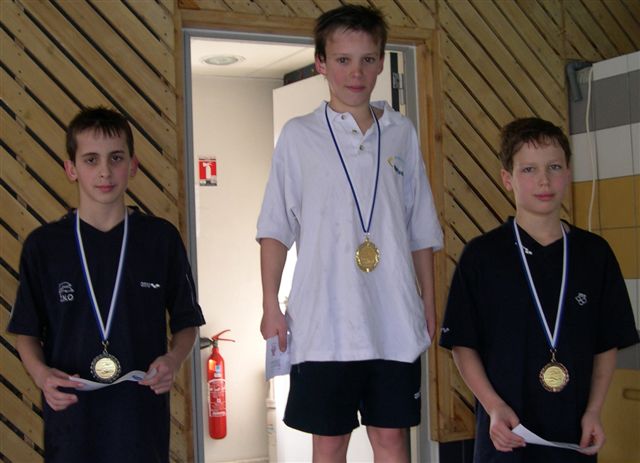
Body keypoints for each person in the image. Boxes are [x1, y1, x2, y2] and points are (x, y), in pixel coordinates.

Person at [257, 4, 443, 462]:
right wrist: (270, 304)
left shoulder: (401, 133)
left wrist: (428, 301)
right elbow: (275, 228)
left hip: (393, 319)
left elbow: (420, 227)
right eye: (342, 60)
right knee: (330, 442)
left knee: (392, 439)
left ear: (380, 63)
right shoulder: (298, 136)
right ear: (321, 63)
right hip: (323, 324)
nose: (355, 73)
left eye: (367, 59)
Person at [8, 107, 206, 463]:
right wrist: (41, 376)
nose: (104, 171)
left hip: (139, 420)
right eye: (91, 160)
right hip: (71, 420)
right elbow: (26, 331)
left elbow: (187, 323)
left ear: (133, 165)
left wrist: (173, 360)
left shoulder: (160, 239)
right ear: (71, 169)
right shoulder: (44, 246)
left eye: (116, 158)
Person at [439, 117, 639, 462]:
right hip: (506, 436)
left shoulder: (594, 254)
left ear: (568, 173)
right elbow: (462, 345)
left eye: (554, 167)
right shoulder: (482, 256)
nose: (544, 180)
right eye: (529, 169)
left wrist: (594, 410)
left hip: (573, 436)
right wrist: (493, 406)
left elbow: (606, 343)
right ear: (508, 179)